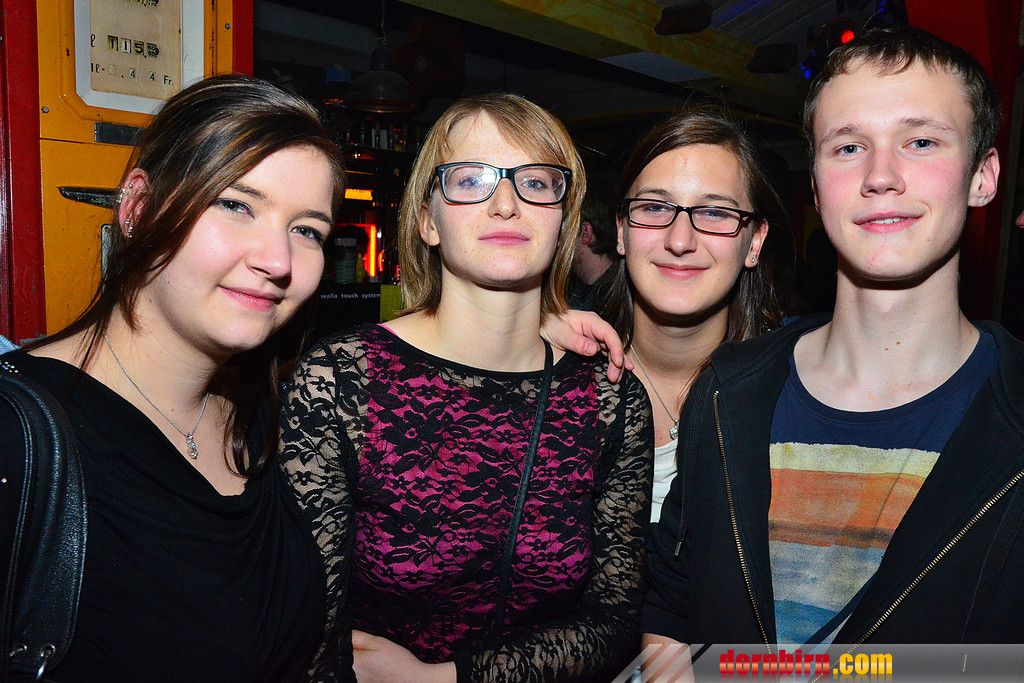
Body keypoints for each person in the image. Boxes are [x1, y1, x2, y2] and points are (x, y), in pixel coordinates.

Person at [644, 24, 1024, 666]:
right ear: (817, 189)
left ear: (983, 176)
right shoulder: (727, 392)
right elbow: (672, 604)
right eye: (849, 147)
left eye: (921, 141)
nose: (881, 175)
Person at [280, 92, 654, 683]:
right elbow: (308, 633)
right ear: (427, 220)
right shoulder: (342, 381)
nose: (506, 203)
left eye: (536, 182)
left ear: (564, 221)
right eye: (471, 180)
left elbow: (614, 623)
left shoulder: (609, 398)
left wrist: (445, 680)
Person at [0, 75, 346, 680]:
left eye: (307, 230)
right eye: (237, 205)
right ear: (137, 207)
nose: (278, 260)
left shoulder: (259, 418)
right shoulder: (16, 436)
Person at [602, 106, 784, 527]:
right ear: (621, 231)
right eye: (654, 207)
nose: (680, 240)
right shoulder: (561, 385)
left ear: (754, 242)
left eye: (715, 213)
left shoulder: (789, 397)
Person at [568, 172, 618, 311]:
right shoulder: (582, 290)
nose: (559, 241)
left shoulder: (610, 305)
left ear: (586, 233)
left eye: (565, 229)